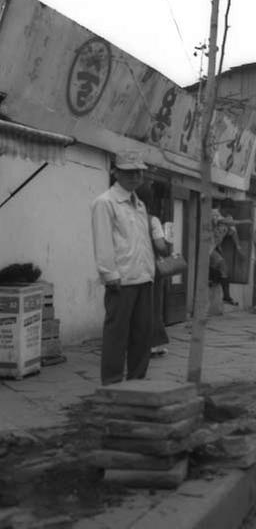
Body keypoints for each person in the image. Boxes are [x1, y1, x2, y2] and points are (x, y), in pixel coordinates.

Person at [91, 151, 154, 385]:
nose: (135, 176)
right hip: (121, 280)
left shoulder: (140, 205)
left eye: (139, 171)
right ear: (116, 172)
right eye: (129, 171)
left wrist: (151, 271)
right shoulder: (105, 202)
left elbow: (142, 241)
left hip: (144, 278)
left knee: (143, 335)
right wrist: (109, 273)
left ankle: (138, 381)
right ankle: (113, 383)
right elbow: (103, 241)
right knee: (116, 336)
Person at [135, 183, 171, 357]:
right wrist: (166, 248)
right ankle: (154, 344)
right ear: (150, 200)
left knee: (135, 308)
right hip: (151, 269)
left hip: (130, 268)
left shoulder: (127, 217)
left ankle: (134, 343)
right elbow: (160, 246)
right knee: (154, 306)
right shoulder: (152, 220)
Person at [210, 209, 241, 306]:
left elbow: (233, 233)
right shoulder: (214, 213)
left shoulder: (229, 218)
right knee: (221, 264)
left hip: (215, 247)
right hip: (206, 246)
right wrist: (243, 221)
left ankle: (226, 296)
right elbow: (222, 221)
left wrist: (238, 246)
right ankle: (213, 280)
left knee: (224, 268)